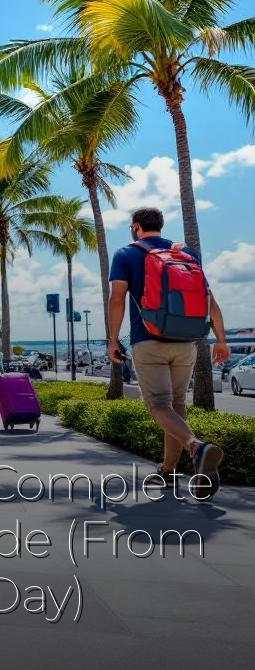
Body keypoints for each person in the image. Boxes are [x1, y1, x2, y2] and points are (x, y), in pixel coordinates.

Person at [108, 207, 230, 500]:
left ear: (136, 226)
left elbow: (116, 300)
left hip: (148, 341)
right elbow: (208, 299)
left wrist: (113, 339)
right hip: (186, 341)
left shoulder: (126, 254)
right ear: (160, 226)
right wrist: (221, 340)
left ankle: (195, 446)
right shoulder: (184, 254)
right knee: (176, 405)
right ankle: (168, 470)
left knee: (158, 405)